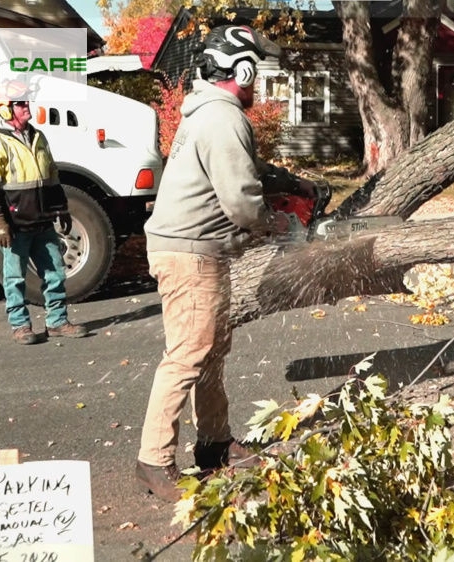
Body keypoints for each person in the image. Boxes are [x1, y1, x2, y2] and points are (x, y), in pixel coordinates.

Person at [135, 25, 308, 501]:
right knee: (188, 355)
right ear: (242, 69)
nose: (257, 85)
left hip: (200, 251)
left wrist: (288, 183)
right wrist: (280, 224)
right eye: (255, 74)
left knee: (210, 352)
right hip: (191, 254)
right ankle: (153, 459)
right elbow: (241, 202)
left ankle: (213, 443)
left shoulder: (208, 114)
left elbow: (242, 174)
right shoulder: (223, 118)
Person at [0, 79, 89, 345]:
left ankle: (57, 322)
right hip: (15, 226)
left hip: (42, 221)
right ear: (5, 109)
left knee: (56, 273)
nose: (27, 107)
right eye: (21, 103)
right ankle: (20, 326)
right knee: (14, 278)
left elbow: (51, 176)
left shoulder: (38, 136)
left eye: (27, 101)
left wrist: (61, 208)